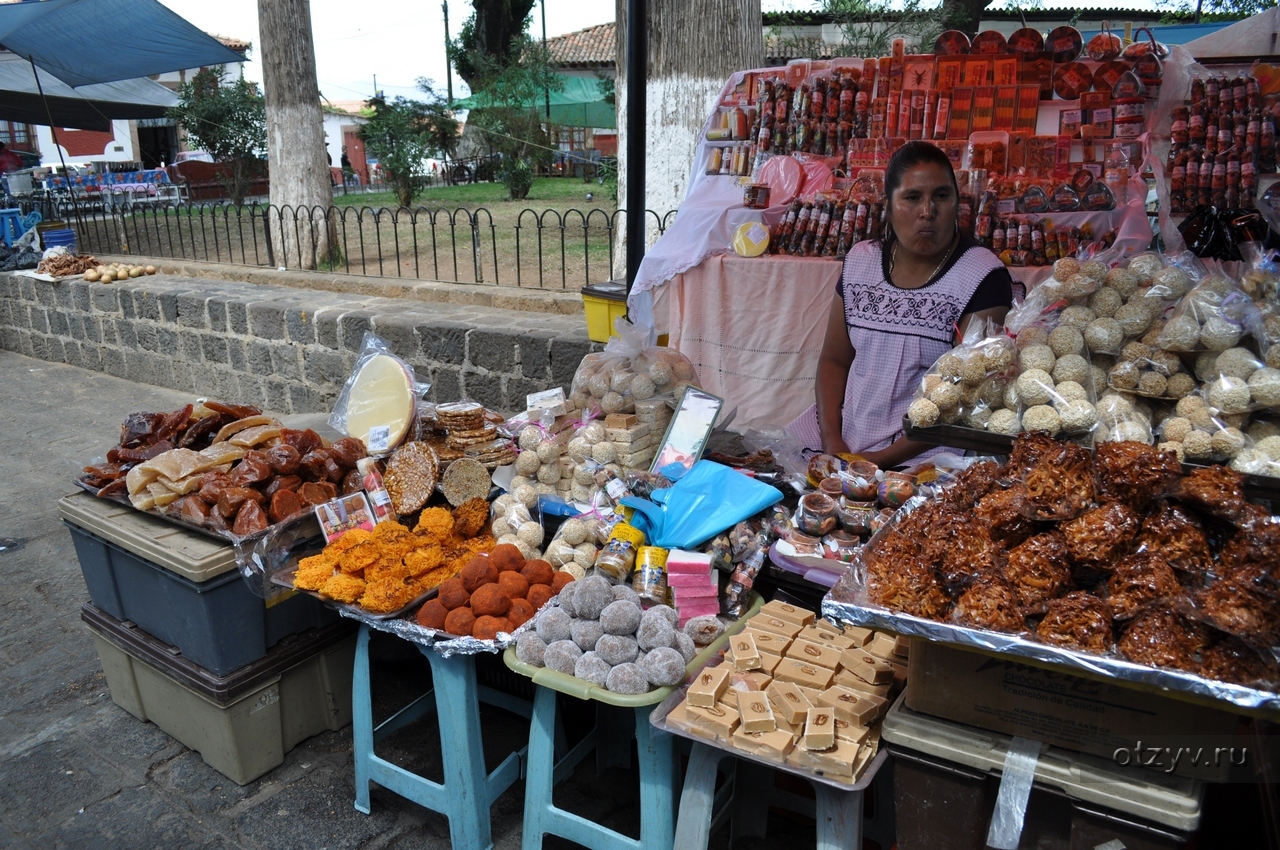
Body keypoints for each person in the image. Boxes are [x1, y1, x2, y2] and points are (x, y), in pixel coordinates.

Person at [787, 140, 1019, 468]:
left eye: (941, 196)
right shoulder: (861, 262)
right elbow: (834, 361)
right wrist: (832, 442)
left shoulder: (982, 275)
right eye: (912, 197)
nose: (928, 211)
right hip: (845, 440)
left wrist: (878, 461)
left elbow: (963, 399)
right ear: (889, 205)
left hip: (928, 454)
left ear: (957, 203)